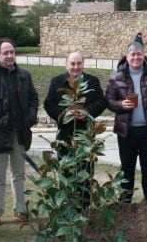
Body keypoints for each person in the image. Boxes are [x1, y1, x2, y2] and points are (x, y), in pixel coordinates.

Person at [105, 41, 147, 204]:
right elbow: (109, 101)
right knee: (127, 169)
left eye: (139, 54)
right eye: (132, 54)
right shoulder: (116, 76)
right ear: (127, 57)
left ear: (144, 55)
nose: (136, 57)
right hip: (126, 130)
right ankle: (125, 204)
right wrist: (121, 105)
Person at [44, 52, 107, 205]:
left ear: (83, 64)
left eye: (79, 63)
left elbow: (101, 102)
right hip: (65, 136)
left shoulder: (93, 81)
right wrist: (65, 114)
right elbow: (48, 104)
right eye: (72, 64)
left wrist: (86, 113)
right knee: (66, 173)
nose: (76, 67)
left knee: (85, 173)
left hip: (86, 136)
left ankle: (84, 209)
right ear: (67, 65)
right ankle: (67, 209)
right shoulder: (57, 82)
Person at [0, 38, 38, 225]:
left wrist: (31, 118)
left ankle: (20, 210)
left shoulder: (25, 75)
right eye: (5, 53)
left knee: (19, 175)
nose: (9, 56)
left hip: (20, 133)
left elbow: (33, 98)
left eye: (12, 52)